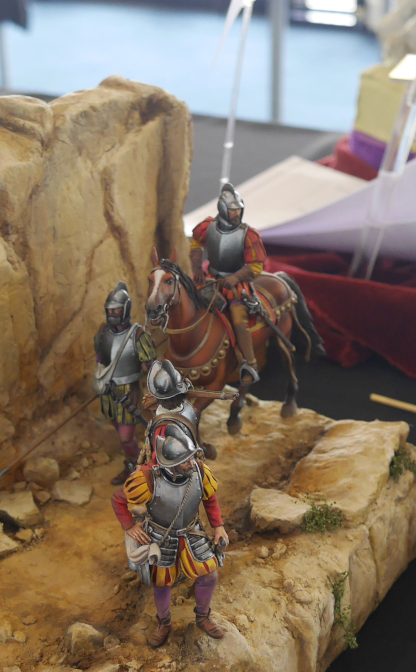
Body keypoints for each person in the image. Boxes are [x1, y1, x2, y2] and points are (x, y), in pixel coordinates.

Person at [112, 422, 229, 647]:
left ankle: (203, 617)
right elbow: (119, 500)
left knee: (209, 575)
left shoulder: (199, 471)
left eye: (191, 457)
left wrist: (218, 526)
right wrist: (129, 526)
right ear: (171, 464)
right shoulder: (147, 478)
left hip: (192, 532)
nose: (191, 463)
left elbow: (210, 498)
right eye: (185, 460)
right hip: (161, 537)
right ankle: (164, 622)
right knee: (162, 582)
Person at [189, 183, 266, 385]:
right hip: (210, 279)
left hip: (236, 285)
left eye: (239, 209)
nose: (237, 213)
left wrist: (237, 277)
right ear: (223, 209)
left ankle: (250, 364)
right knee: (187, 305)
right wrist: (196, 266)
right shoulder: (208, 226)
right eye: (233, 210)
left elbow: (256, 265)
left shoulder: (249, 234)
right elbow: (196, 243)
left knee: (239, 322)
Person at [94, 282, 157, 485]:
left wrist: (158, 392)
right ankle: (132, 464)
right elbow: (100, 358)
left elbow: (151, 366)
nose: (112, 313)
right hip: (108, 391)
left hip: (129, 392)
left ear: (126, 309)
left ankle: (141, 468)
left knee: (126, 437)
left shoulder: (138, 335)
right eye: (110, 309)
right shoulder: (103, 332)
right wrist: (100, 378)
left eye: (117, 309)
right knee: (118, 429)